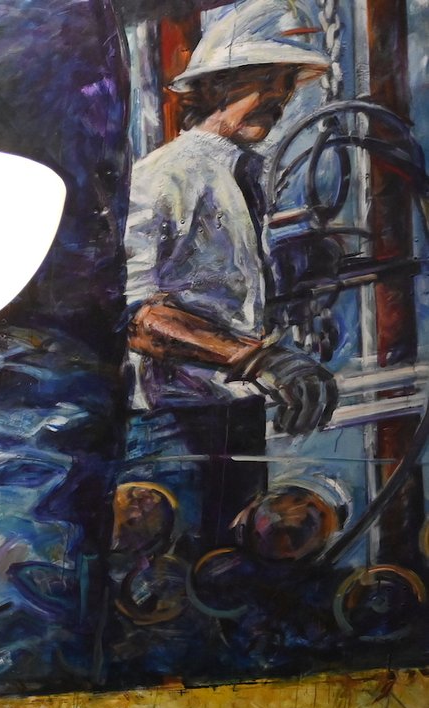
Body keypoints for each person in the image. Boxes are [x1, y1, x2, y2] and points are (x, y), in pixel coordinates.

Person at [124, 1, 337, 560]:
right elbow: (136, 317)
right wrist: (260, 359)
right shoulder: (165, 175)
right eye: (264, 78)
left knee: (232, 569)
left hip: (234, 415)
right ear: (214, 86)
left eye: (286, 82)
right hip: (170, 427)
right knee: (174, 575)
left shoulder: (248, 174)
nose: (279, 96)